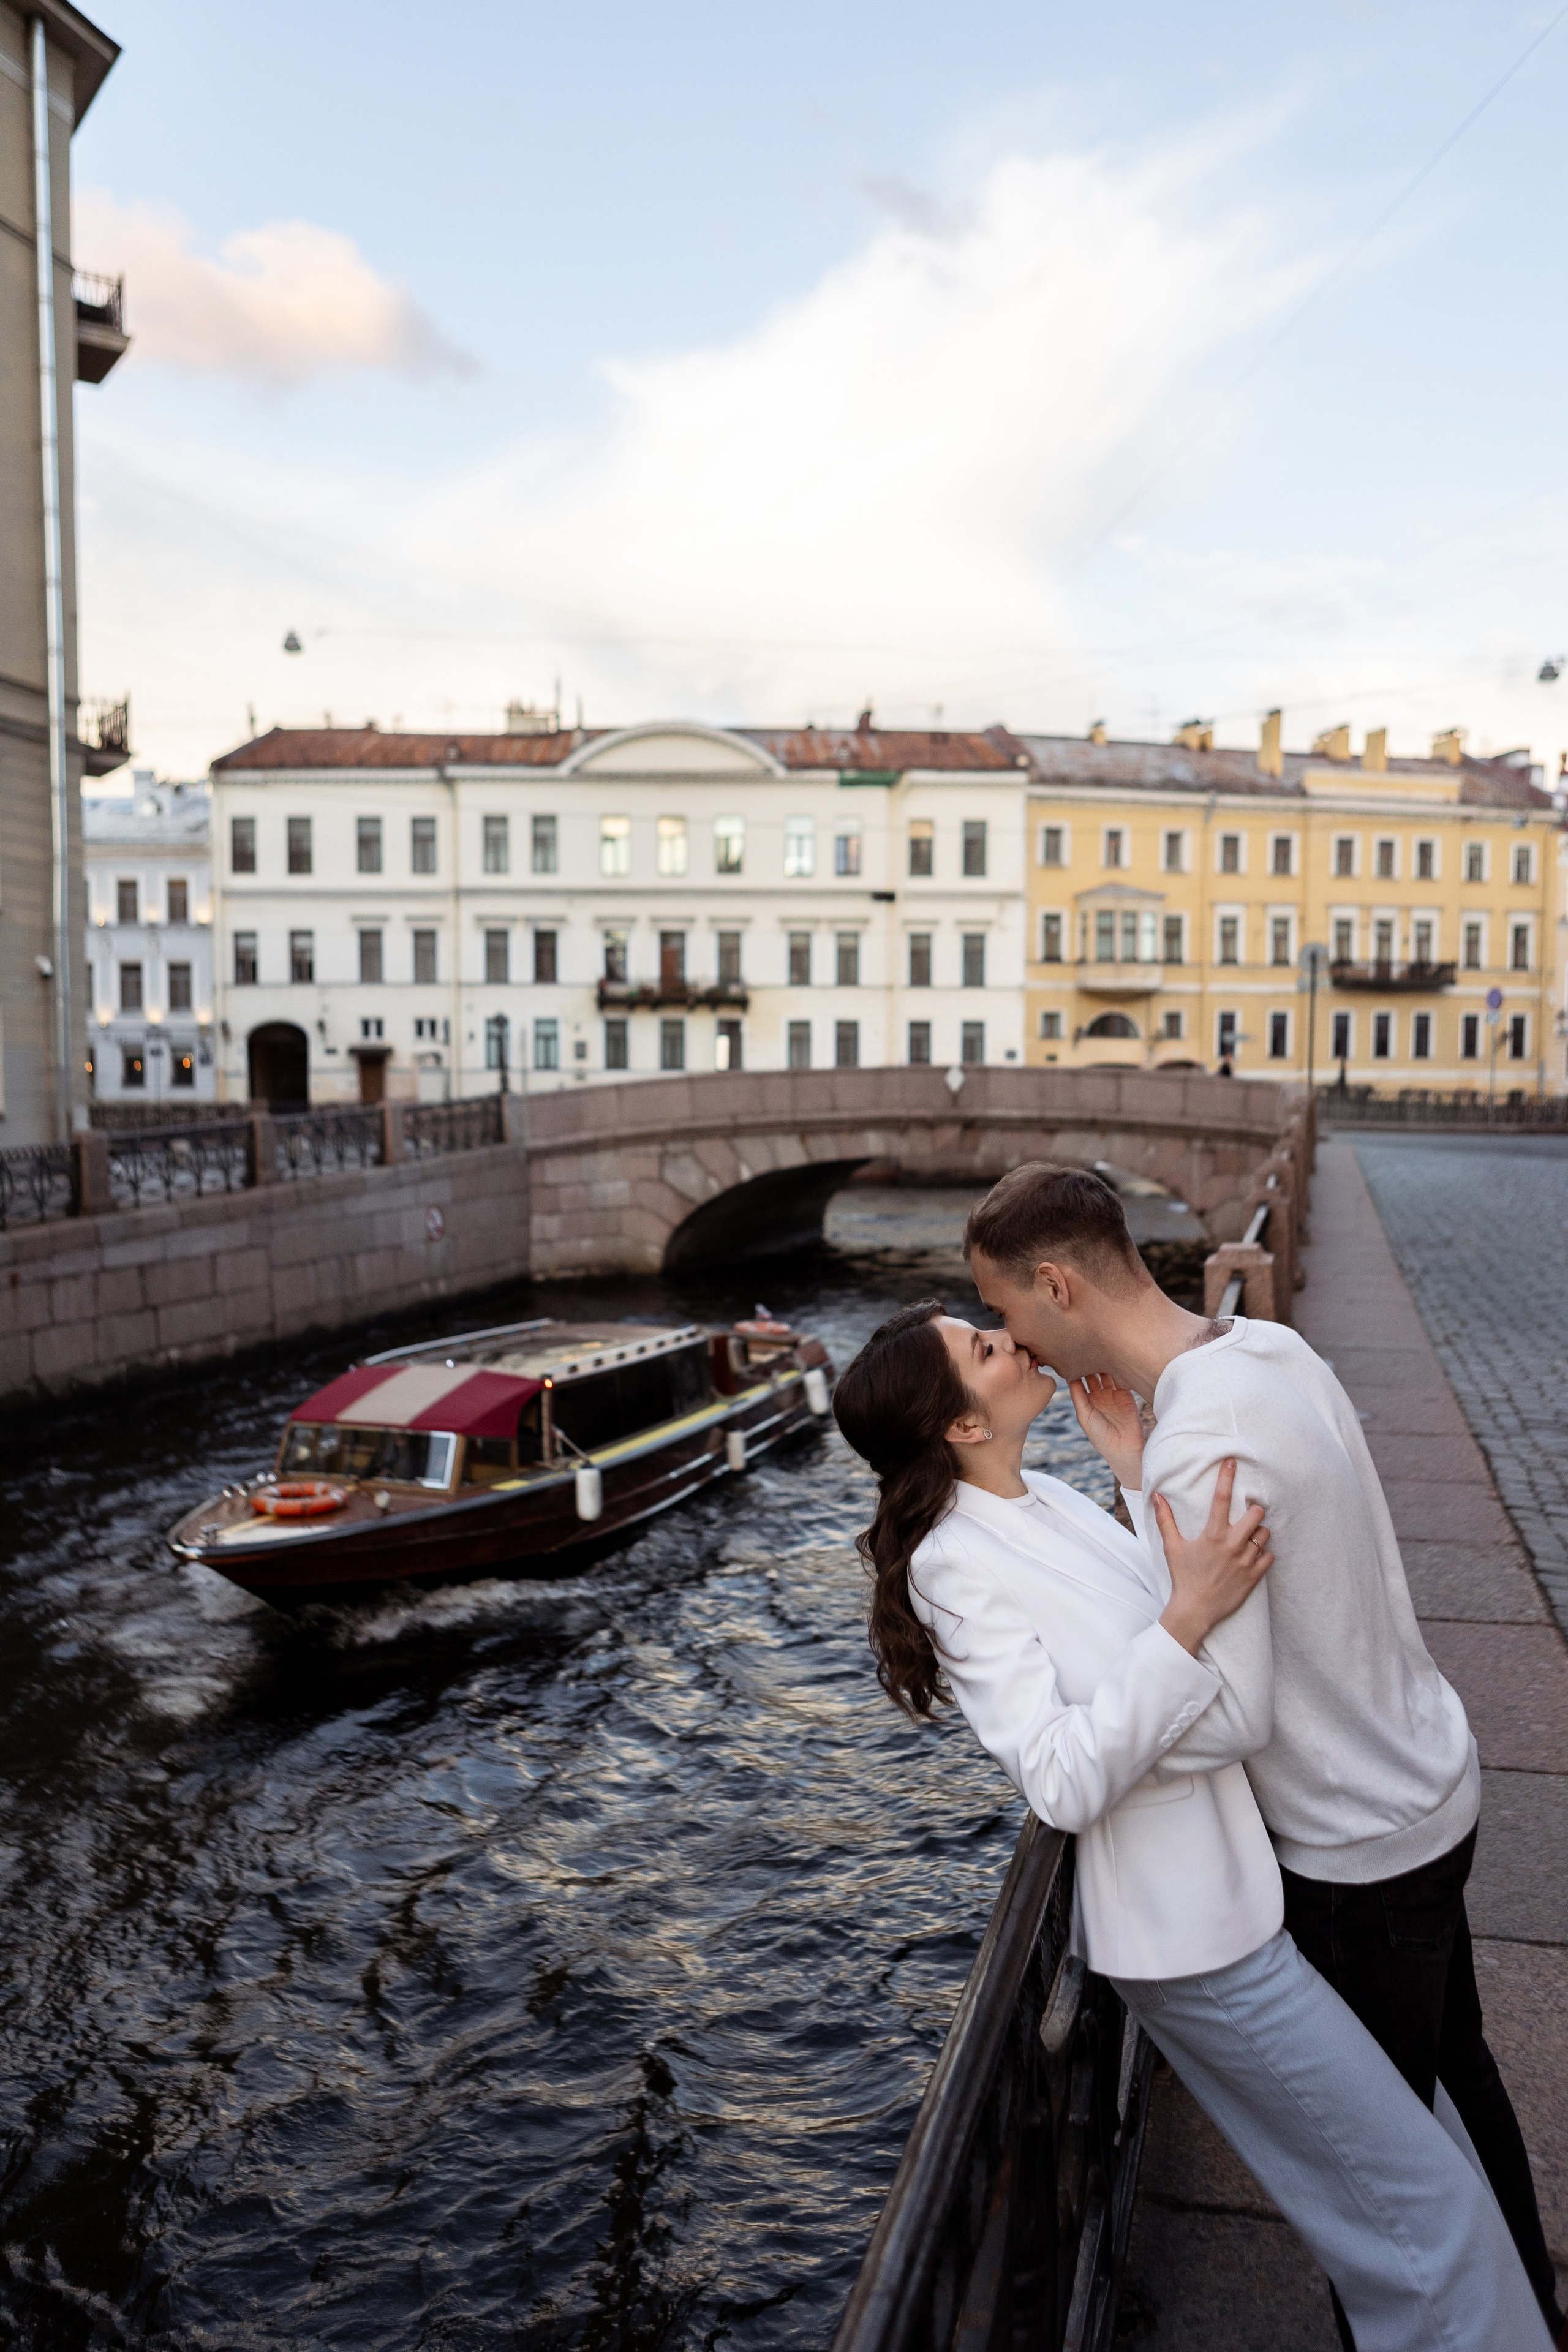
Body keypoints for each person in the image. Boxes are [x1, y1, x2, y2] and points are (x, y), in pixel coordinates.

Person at [832, 1300, 1552, 2351]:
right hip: (1191, 1942)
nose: (1010, 1339)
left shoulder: (1045, 1498)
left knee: (1423, 2182)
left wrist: (1133, 1474)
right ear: (962, 1427)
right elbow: (1062, 1779)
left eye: (991, 1324)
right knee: (1421, 2214)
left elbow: (1140, 1613)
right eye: (984, 1350)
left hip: (1238, 1894)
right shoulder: (953, 1566)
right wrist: (1184, 1621)